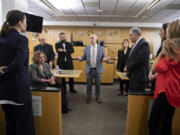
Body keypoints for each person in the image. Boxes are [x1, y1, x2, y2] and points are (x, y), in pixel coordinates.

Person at [0, 10, 35, 135]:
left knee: (10, 125)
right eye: (25, 21)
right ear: (20, 22)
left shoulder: (1, 38)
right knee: (24, 128)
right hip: (19, 92)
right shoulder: (22, 39)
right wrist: (4, 72)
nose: (26, 24)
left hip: (4, 93)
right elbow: (17, 65)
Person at [148, 19, 180, 135]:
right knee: (166, 123)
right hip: (174, 92)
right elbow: (169, 69)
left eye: (165, 31)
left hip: (166, 92)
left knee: (154, 123)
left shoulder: (172, 50)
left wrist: (163, 51)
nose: (164, 33)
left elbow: (155, 67)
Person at [76, 34, 110, 104]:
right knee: (89, 85)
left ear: (96, 39)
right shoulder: (86, 48)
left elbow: (104, 57)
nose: (91, 40)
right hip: (89, 70)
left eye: (92, 38)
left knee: (98, 84)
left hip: (98, 70)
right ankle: (89, 97)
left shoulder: (101, 48)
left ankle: (97, 97)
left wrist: (105, 59)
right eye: (90, 38)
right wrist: (80, 59)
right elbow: (84, 57)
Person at [124, 27, 150, 92]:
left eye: (130, 35)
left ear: (136, 35)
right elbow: (130, 58)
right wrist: (127, 66)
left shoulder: (144, 44)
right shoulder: (134, 45)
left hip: (139, 76)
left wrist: (128, 67)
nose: (129, 37)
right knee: (133, 95)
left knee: (137, 97)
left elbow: (139, 60)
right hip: (133, 74)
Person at [150, 23, 169, 91]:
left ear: (167, 32)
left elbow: (167, 66)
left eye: (161, 31)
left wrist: (154, 72)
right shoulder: (163, 44)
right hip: (158, 77)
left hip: (164, 81)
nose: (159, 33)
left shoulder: (168, 47)